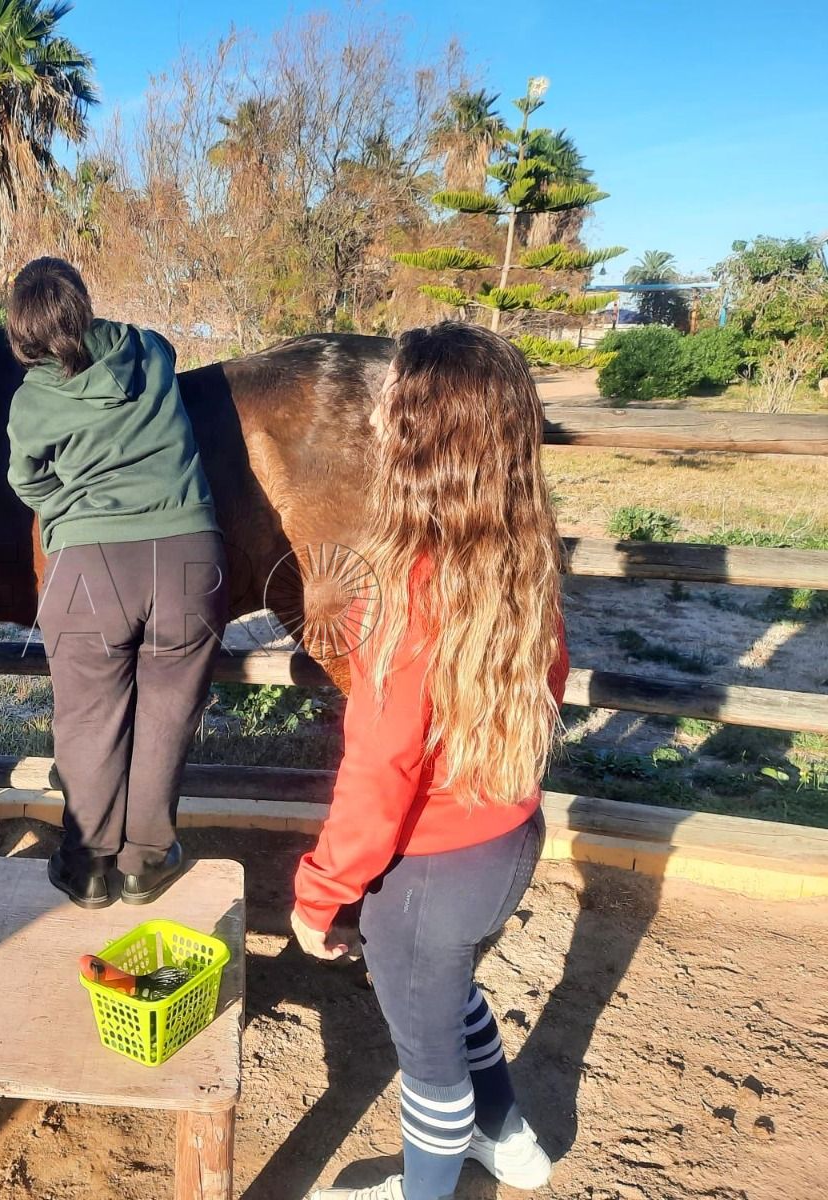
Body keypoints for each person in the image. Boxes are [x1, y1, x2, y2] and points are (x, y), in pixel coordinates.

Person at [294, 322, 570, 1200]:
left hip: (431, 871)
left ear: (422, 436)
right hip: (506, 835)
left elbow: (381, 772)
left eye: (391, 404)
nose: (376, 419)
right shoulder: (523, 556)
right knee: (448, 996)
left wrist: (319, 893)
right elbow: (547, 682)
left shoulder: (403, 584)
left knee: (427, 1060)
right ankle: (509, 1141)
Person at [4, 257, 227, 910]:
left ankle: (87, 867)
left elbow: (25, 480)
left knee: (87, 717)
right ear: (83, 303)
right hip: (189, 556)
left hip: (89, 567)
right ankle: (145, 863)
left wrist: (70, 510)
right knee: (169, 712)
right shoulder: (148, 350)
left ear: (22, 332)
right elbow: (163, 350)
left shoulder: (32, 398)